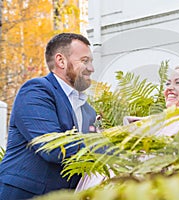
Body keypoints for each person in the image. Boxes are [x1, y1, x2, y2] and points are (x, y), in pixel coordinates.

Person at [75, 64, 179, 192]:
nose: (169, 88)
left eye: (178, 83)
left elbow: (156, 162)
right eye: (167, 83)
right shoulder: (162, 121)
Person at [0, 33, 96, 199]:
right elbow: (53, 148)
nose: (91, 68)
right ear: (61, 61)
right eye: (85, 61)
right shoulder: (36, 91)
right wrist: (107, 142)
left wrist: (129, 133)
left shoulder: (88, 111)